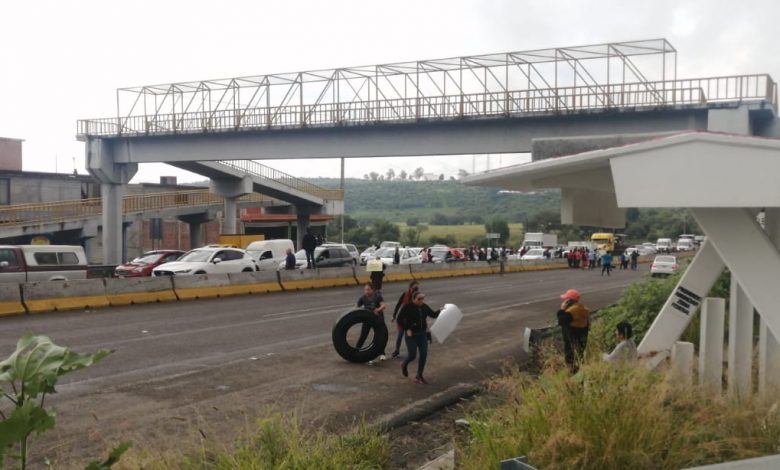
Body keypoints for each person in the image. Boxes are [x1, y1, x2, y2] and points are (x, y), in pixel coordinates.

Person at [397, 291, 440, 384]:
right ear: (413, 299)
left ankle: (419, 376)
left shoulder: (424, 307)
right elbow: (399, 319)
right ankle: (404, 364)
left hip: (422, 335)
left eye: (423, 298)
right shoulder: (407, 307)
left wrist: (442, 310)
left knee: (424, 354)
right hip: (411, 336)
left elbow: (433, 314)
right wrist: (407, 328)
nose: (421, 300)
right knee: (412, 355)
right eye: (419, 299)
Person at [557, 289, 590, 371]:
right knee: (579, 358)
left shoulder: (572, 311)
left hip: (571, 341)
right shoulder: (581, 308)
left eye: (566, 299)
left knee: (571, 361)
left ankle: (573, 376)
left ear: (569, 301)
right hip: (580, 340)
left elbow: (561, 320)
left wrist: (562, 309)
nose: (564, 301)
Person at [356, 283, 387, 361]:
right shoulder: (362, 298)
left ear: (372, 290)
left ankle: (382, 353)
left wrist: (378, 309)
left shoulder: (377, 296)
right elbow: (356, 307)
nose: (366, 291)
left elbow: (383, 305)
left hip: (377, 319)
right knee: (363, 335)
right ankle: (355, 351)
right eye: (365, 290)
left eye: (368, 289)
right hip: (367, 319)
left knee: (380, 337)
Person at [391, 280, 419, 358]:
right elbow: (398, 304)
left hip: (410, 320)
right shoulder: (405, 294)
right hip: (402, 319)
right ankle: (397, 351)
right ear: (410, 288)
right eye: (414, 288)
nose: (416, 289)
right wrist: (394, 315)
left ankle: (411, 352)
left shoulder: (417, 296)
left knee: (410, 337)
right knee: (400, 336)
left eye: (417, 288)